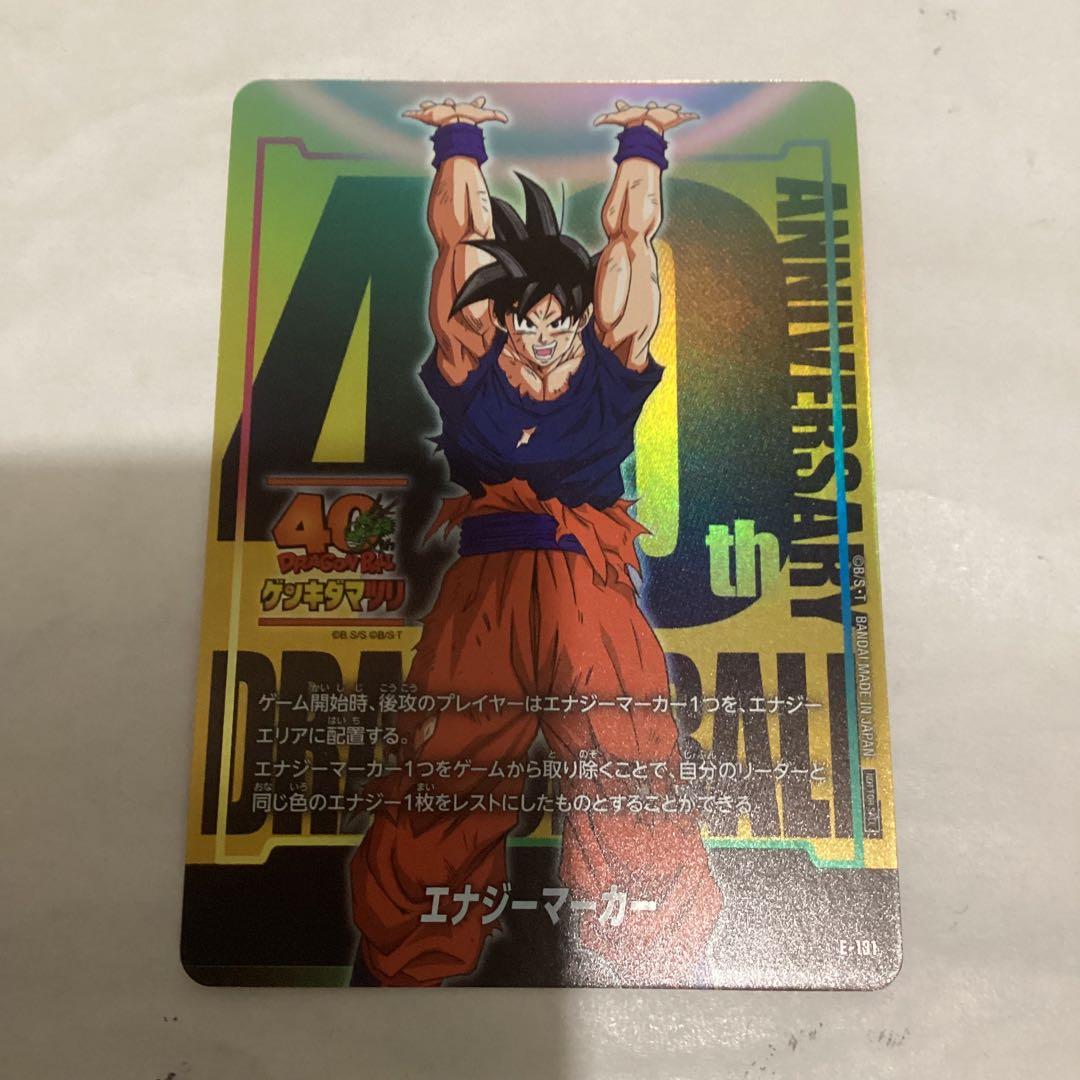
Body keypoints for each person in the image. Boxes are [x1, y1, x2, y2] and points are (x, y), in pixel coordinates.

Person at [350, 95, 723, 986]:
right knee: (447, 765)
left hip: (588, 583)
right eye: (529, 320)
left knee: (626, 761)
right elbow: (460, 243)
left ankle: (654, 958)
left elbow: (630, 243)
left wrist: (643, 142)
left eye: (562, 319)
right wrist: (458, 140)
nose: (547, 336)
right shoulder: (471, 364)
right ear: (506, 319)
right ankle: (411, 959)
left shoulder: (610, 366)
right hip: (486, 590)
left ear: (580, 318)